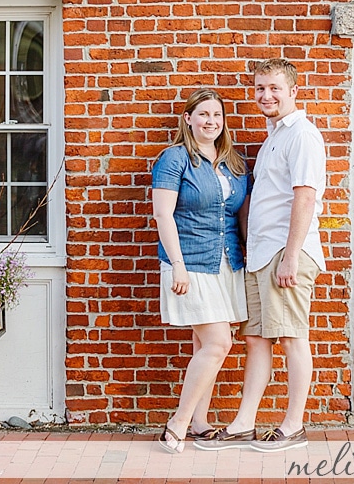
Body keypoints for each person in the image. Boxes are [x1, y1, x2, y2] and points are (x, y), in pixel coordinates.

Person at [195, 58, 326, 453]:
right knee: (256, 340)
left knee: (291, 337)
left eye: (274, 88)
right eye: (260, 89)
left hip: (285, 254)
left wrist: (290, 256)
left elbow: (305, 196)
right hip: (261, 256)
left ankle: (293, 426)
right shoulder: (274, 137)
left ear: (293, 92)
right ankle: (243, 423)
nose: (266, 96)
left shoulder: (302, 135)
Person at [151, 88, 251, 454]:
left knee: (203, 345)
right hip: (190, 262)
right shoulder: (174, 159)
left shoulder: (234, 163)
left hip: (227, 263)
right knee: (218, 342)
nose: (211, 121)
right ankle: (177, 423)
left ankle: (200, 422)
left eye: (217, 115)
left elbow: (241, 216)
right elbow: (163, 214)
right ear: (189, 118)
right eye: (203, 114)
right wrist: (177, 264)